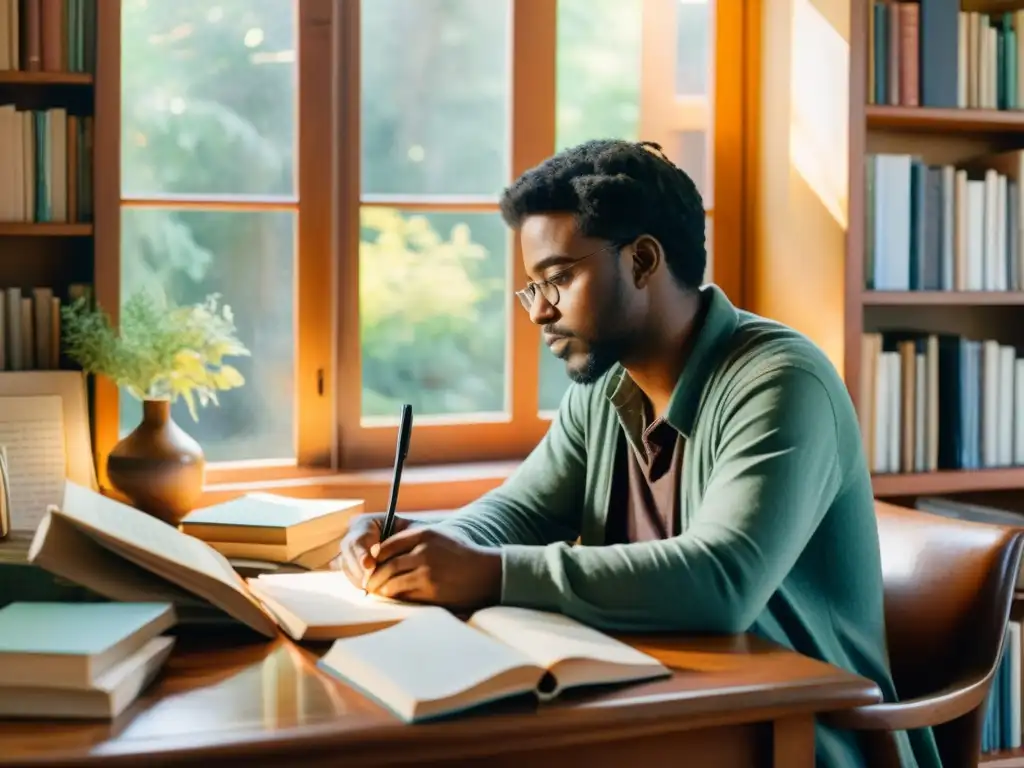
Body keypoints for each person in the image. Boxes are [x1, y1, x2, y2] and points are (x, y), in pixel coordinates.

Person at [336, 139, 940, 768]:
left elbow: (722, 582)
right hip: (661, 708)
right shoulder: (607, 390)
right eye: (531, 289)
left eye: (559, 278)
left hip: (801, 735)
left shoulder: (782, 382)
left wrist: (489, 572)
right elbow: (515, 514)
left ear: (644, 260)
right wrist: (417, 543)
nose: (540, 312)